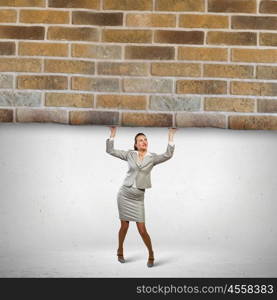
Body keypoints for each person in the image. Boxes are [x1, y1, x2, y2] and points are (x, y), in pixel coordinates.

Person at [106, 126, 177, 267]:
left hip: (138, 198)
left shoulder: (152, 158)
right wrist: (112, 134)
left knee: (142, 230)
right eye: (140, 140)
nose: (144, 142)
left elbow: (168, 155)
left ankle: (151, 253)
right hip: (124, 194)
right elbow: (110, 150)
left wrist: (170, 136)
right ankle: (120, 250)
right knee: (124, 227)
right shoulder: (130, 154)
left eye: (145, 140)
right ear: (136, 144)